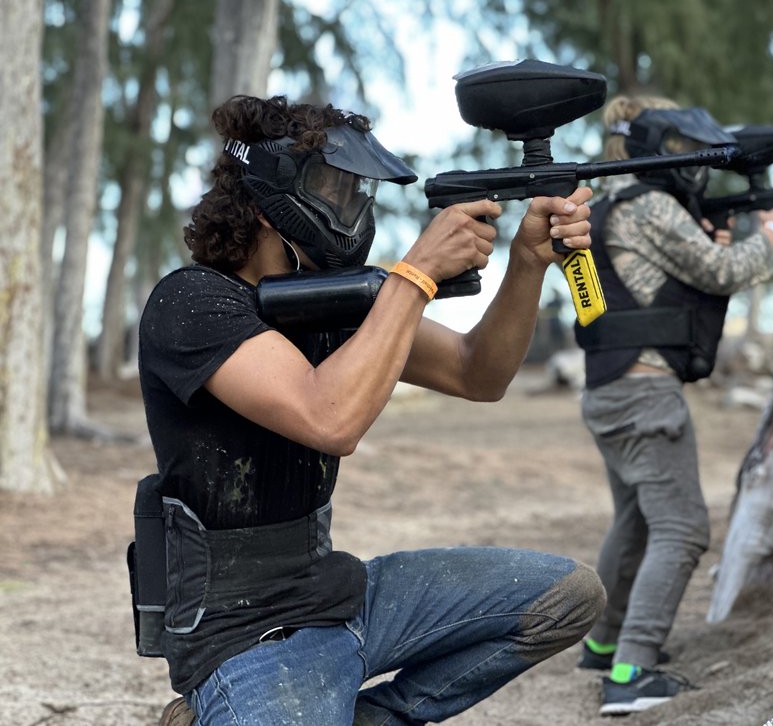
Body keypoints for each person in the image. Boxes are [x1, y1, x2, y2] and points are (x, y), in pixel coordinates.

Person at [138, 94, 606, 726]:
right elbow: (329, 419)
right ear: (270, 203)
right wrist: (415, 277)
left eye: (358, 191)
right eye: (335, 188)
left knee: (567, 598)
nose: (352, 208)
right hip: (241, 635)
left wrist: (527, 264)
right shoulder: (192, 303)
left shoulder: (336, 305)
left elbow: (478, 372)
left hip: (336, 596)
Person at [572, 94, 773, 716]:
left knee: (638, 521)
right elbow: (721, 271)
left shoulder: (606, 206)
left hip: (608, 388)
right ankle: (630, 671)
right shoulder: (651, 207)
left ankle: (602, 642)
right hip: (645, 393)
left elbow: (635, 292)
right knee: (683, 528)